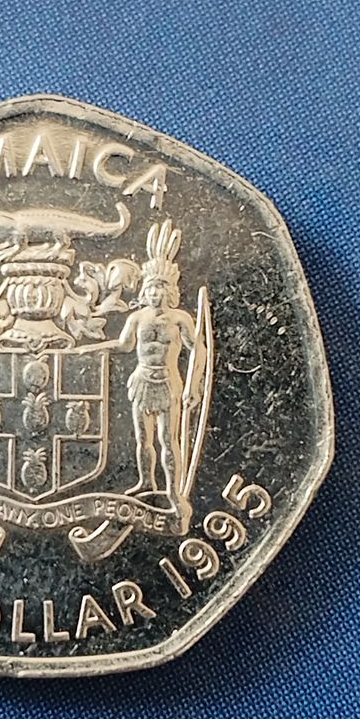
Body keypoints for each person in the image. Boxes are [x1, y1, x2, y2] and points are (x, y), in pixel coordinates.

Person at [113, 220, 203, 518]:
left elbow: (198, 349)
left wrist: (194, 385)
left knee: (168, 439)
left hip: (167, 382)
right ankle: (146, 482)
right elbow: (123, 346)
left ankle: (174, 492)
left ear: (170, 291)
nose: (154, 295)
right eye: (150, 289)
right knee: (142, 438)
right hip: (141, 380)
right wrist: (89, 349)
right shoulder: (137, 318)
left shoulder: (180, 319)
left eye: (159, 289)